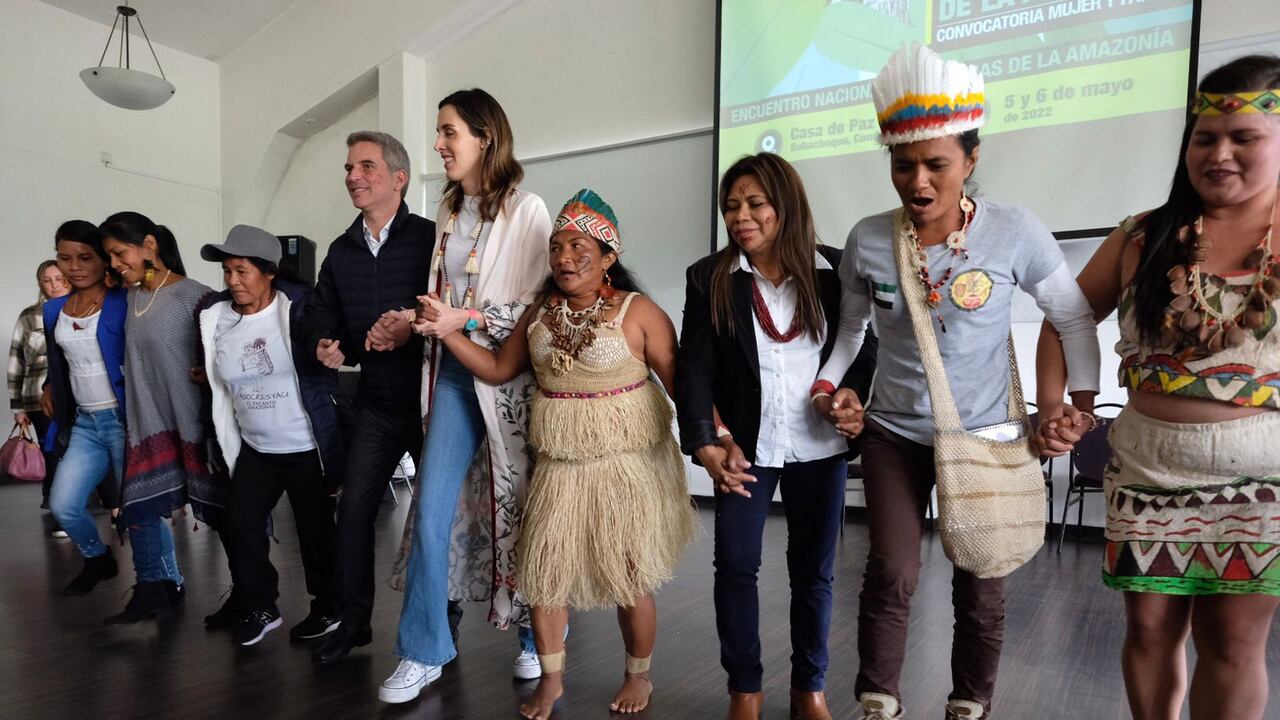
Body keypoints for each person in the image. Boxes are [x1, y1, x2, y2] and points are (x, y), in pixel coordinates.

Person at [813, 43, 1099, 720]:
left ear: (970, 161)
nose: (918, 181)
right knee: (891, 571)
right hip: (896, 430)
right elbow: (852, 331)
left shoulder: (1014, 231)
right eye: (904, 165)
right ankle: (878, 699)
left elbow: (1072, 316)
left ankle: (971, 701)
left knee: (983, 579)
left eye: (936, 164)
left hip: (992, 430)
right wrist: (832, 390)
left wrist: (1075, 408)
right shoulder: (868, 240)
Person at [1036, 54, 1280, 720]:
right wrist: (1065, 405)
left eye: (1244, 138)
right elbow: (1065, 317)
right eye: (1205, 137)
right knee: (1147, 630)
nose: (1219, 153)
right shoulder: (1145, 235)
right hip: (1148, 465)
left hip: (1264, 480)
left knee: (1232, 642)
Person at [422, 189, 695, 718]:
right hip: (559, 467)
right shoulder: (541, 311)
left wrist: (718, 439)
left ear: (609, 257)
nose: (564, 257)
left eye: (578, 246)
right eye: (556, 247)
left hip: (627, 468)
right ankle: (550, 680)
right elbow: (500, 369)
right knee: (544, 575)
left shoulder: (640, 313)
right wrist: (445, 332)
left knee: (630, 577)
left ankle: (638, 676)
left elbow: (681, 386)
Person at [676, 153, 878, 720]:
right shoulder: (708, 278)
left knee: (813, 571)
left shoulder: (838, 271)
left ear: (784, 205)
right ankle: (745, 691)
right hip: (745, 450)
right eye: (732, 205)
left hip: (822, 448)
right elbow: (694, 370)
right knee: (736, 566)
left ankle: (808, 688)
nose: (741, 216)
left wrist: (853, 397)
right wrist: (705, 440)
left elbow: (864, 345)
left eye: (755, 203)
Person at [379, 88, 553, 704]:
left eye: (449, 131)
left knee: (523, 511)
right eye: (439, 131)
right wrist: (415, 319)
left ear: (485, 136)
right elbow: (443, 300)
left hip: (508, 379)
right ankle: (423, 650)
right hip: (453, 373)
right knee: (430, 510)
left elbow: (535, 307)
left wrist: (464, 320)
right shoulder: (449, 213)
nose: (439, 143)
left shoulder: (528, 209)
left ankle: (537, 637)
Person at [304, 130, 435, 665]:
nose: (352, 176)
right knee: (353, 512)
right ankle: (353, 622)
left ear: (398, 179)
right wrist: (327, 345)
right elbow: (321, 312)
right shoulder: (340, 250)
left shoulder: (432, 239)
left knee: (437, 518)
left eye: (366, 167)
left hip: (431, 404)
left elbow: (453, 308)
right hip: (376, 406)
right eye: (349, 167)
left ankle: (439, 623)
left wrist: (411, 326)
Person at [195, 225, 345, 647]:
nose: (232, 281)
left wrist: (327, 350)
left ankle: (328, 607)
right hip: (256, 447)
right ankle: (260, 605)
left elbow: (325, 337)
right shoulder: (216, 319)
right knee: (239, 521)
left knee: (315, 535)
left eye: (242, 271)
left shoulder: (296, 309)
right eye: (227, 271)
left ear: (268, 272)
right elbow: (220, 376)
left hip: (304, 446)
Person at [101, 211, 217, 624]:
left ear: (149, 245)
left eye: (119, 253)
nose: (113, 263)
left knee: (222, 510)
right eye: (109, 257)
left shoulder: (196, 297)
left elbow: (218, 359)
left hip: (192, 424)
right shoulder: (129, 297)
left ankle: (251, 596)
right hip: (146, 425)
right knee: (139, 507)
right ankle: (155, 586)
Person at [42, 221, 126, 596]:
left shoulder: (122, 302)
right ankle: (98, 558)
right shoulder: (54, 310)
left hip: (123, 420)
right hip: (85, 423)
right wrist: (48, 384)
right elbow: (60, 362)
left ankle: (165, 582)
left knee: (137, 511)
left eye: (84, 257)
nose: (73, 266)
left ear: (103, 258)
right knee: (63, 504)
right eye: (65, 258)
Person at [10, 258, 69, 520]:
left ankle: (88, 499)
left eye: (59, 279)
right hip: (36, 396)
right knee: (53, 449)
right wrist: (17, 407)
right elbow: (16, 361)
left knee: (78, 449)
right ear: (39, 283)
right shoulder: (29, 316)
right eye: (47, 280)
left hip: (77, 393)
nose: (54, 285)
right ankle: (55, 503)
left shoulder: (83, 308)